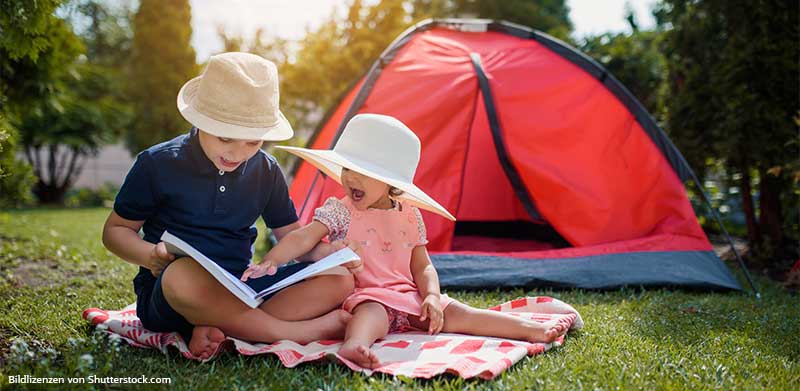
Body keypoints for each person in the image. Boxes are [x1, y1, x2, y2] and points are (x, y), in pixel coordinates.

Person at [240, 113, 576, 368]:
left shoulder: (409, 216)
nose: (350, 178)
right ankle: (355, 345)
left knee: (459, 313)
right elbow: (303, 238)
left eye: (362, 172)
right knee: (369, 317)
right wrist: (274, 259)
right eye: (346, 169)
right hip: (365, 295)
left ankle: (526, 329)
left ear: (391, 183)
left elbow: (423, 265)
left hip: (409, 297)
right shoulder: (339, 210)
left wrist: (430, 296)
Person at [102, 52, 354, 360]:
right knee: (182, 277)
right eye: (225, 138)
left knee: (340, 278)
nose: (237, 153)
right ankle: (290, 332)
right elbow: (115, 230)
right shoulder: (157, 163)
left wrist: (327, 254)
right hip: (172, 292)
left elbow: (290, 237)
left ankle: (222, 326)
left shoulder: (267, 170)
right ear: (200, 121)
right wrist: (149, 256)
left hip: (242, 284)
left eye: (253, 142)